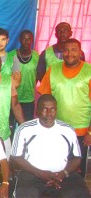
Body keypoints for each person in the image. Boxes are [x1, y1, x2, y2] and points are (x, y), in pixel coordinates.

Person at [11, 94, 90, 197]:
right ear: (37, 111)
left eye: (52, 109)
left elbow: (76, 158)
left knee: (80, 193)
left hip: (63, 175)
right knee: (26, 193)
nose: (49, 113)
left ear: (56, 110)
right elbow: (15, 158)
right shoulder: (24, 129)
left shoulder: (67, 129)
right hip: (33, 174)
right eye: (44, 109)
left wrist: (63, 173)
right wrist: (40, 173)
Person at [38, 38, 91, 178]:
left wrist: (90, 132)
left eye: (74, 50)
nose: (69, 53)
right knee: (56, 164)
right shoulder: (53, 69)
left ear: (80, 52)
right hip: (56, 128)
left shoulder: (89, 71)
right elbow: (44, 101)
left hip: (81, 130)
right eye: (66, 50)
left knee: (77, 169)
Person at [9, 30, 39, 121]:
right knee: (11, 126)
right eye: (23, 39)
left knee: (27, 125)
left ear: (32, 40)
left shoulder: (36, 56)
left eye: (29, 39)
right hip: (13, 97)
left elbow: (38, 74)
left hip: (29, 98)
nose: (26, 42)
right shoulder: (11, 55)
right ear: (19, 40)